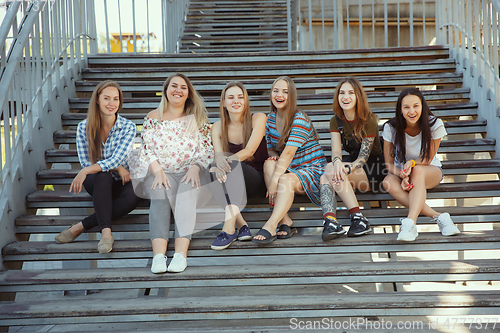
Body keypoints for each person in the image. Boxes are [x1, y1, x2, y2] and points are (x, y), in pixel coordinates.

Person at [129, 73, 214, 273]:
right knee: (159, 194)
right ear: (166, 90)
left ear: (188, 93)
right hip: (160, 172)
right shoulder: (153, 118)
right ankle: (158, 256)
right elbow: (146, 148)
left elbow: (207, 150)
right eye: (174, 86)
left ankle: (179, 254)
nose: (178, 90)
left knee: (186, 191)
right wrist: (157, 171)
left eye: (183, 87)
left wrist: (195, 167)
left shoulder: (198, 119)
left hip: (189, 172)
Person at [55, 80, 140, 254]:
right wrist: (113, 168)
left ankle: (80, 226)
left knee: (136, 193)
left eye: (115, 99)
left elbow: (115, 159)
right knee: (103, 176)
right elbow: (87, 162)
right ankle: (106, 234)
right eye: (107, 98)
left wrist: (87, 170)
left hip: (123, 181)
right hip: (98, 182)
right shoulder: (83, 127)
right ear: (97, 100)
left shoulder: (128, 127)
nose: (111, 103)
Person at [252, 76, 327, 244]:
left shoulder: (299, 119)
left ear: (291, 96)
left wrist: (273, 182)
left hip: (313, 169)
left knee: (283, 178)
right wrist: (274, 159)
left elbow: (288, 154)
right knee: (269, 162)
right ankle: (285, 220)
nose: (279, 95)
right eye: (276, 91)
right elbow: (271, 149)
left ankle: (271, 225)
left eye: (285, 92)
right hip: (291, 168)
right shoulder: (270, 119)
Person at [382, 87, 460, 241]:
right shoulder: (390, 128)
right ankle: (440, 217)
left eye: (416, 106)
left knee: (417, 170)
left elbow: (427, 159)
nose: (412, 111)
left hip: (430, 171)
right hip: (403, 172)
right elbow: (389, 165)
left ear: (422, 106)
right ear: (400, 110)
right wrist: (402, 175)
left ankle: (410, 223)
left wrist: (410, 165)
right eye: (406, 107)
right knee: (387, 182)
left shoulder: (434, 124)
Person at [320, 77, 385, 241]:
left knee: (330, 171)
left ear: (358, 97)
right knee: (326, 174)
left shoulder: (369, 120)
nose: (345, 97)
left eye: (350, 93)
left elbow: (363, 158)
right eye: (342, 93)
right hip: (351, 164)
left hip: (373, 166)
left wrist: (344, 168)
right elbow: (336, 150)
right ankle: (331, 221)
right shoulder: (336, 120)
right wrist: (337, 163)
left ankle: (358, 218)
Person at [210, 81, 268, 250]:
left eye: (240, 97)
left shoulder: (258, 118)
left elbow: (249, 151)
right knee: (212, 170)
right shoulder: (217, 127)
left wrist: (223, 162)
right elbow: (218, 157)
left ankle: (228, 229)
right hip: (231, 182)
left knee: (232, 165)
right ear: (223, 103)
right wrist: (217, 164)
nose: (236, 101)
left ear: (246, 101)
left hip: (256, 181)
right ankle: (242, 225)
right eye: (231, 97)